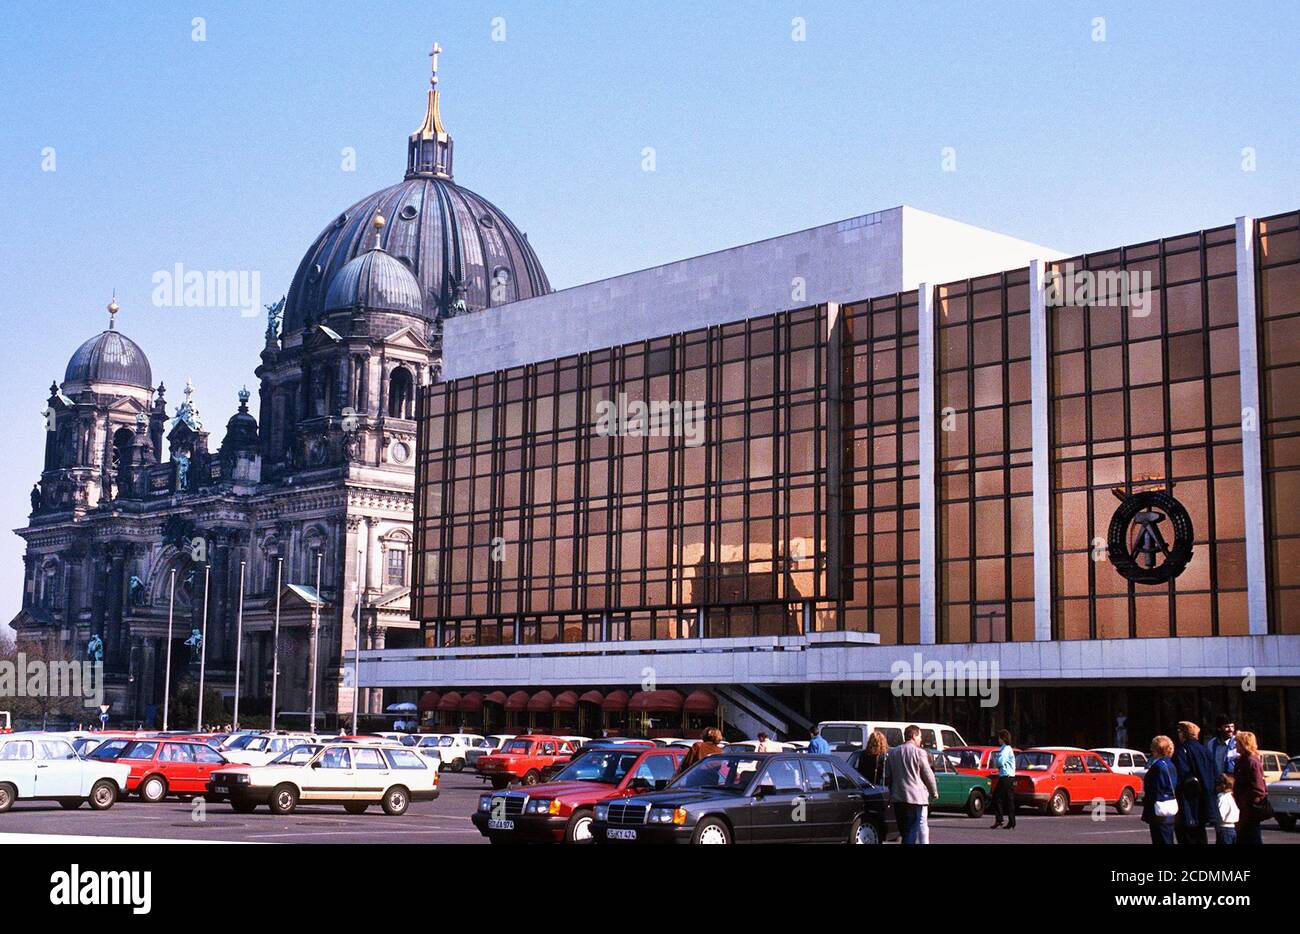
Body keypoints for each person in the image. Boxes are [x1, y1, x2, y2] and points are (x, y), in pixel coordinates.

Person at [882, 724, 939, 844]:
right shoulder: (919, 753)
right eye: (919, 736)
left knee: (904, 831)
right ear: (913, 736)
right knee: (911, 831)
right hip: (915, 799)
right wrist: (934, 791)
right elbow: (928, 774)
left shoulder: (893, 752)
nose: (921, 740)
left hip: (898, 798)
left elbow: (887, 775)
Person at [1172, 721, 1217, 845]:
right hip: (1205, 800)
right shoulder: (1205, 751)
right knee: (1201, 835)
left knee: (1186, 836)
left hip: (1188, 802)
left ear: (1184, 734)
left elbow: (1181, 775)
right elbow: (1214, 774)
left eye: (1179, 732)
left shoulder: (1182, 750)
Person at [1232, 730, 1269, 845]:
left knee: (1251, 837)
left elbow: (1258, 789)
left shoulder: (1251, 762)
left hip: (1250, 809)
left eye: (1237, 743)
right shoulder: (1242, 761)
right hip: (1243, 808)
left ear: (1244, 744)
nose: (1235, 745)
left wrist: (1245, 802)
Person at [1141, 735, 1178, 844]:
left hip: (1160, 808)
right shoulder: (1169, 763)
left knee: (1161, 838)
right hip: (1169, 806)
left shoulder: (1158, 766)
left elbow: (1156, 788)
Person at [989, 729, 1017, 830]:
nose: (998, 740)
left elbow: (1000, 761)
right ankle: (1012, 821)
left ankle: (999, 819)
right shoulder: (1008, 748)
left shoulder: (1005, 749)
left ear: (1003, 738)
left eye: (999, 738)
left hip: (1005, 776)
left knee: (997, 798)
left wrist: (996, 758)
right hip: (1010, 777)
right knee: (1009, 800)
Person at [1216, 775, 1239, 846]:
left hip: (1224, 828)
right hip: (1233, 827)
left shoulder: (1223, 798)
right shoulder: (1232, 797)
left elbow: (1220, 815)